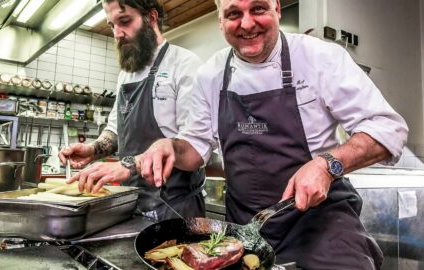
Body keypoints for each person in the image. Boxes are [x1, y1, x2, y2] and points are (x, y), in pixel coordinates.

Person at [139, 0, 409, 269]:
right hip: (243, 229)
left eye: (258, 8)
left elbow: (387, 129)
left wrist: (327, 165)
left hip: (321, 221)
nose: (247, 24)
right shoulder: (210, 75)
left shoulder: (320, 57)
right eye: (233, 14)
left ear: (277, 9)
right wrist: (172, 147)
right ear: (220, 20)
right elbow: (195, 150)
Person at [59, 0, 205, 221]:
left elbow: (195, 148)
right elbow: (115, 131)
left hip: (177, 209)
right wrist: (93, 149)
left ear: (151, 18)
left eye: (124, 21)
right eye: (112, 25)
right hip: (132, 204)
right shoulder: (126, 75)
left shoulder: (184, 65)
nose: (117, 33)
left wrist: (129, 165)